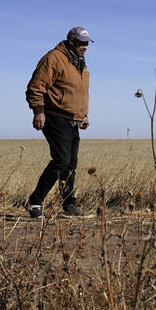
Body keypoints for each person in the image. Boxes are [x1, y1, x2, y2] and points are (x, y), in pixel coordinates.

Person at [25, 26, 93, 219]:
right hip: (54, 115)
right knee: (61, 160)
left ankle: (69, 206)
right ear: (71, 41)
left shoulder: (80, 62)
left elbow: (78, 92)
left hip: (73, 119)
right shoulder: (54, 58)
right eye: (81, 42)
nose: (85, 47)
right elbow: (35, 87)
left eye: (87, 43)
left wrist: (83, 114)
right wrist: (38, 111)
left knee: (71, 164)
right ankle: (34, 202)